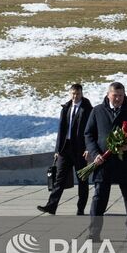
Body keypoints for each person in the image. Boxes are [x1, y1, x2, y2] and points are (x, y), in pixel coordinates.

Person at [84, 82, 127, 238]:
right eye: (115, 95)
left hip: (126, 162)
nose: (118, 98)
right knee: (99, 197)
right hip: (103, 162)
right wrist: (95, 153)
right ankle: (94, 233)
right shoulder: (97, 111)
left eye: (121, 95)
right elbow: (89, 134)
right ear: (108, 95)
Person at [37, 82, 93, 215]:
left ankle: (80, 208)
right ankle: (51, 206)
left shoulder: (88, 109)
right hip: (65, 148)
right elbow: (60, 130)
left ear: (82, 94)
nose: (75, 96)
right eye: (73, 94)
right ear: (70, 94)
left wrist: (88, 148)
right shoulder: (66, 108)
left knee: (82, 179)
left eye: (78, 94)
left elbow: (91, 130)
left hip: (80, 149)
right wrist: (57, 150)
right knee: (59, 179)